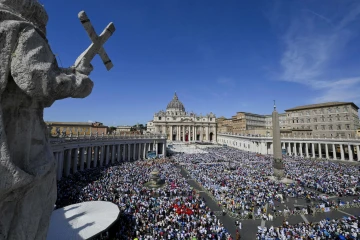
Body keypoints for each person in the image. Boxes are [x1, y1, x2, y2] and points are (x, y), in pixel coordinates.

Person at [0, 1, 93, 239]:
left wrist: (71, 70)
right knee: (30, 206)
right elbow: (41, 82)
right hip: (22, 139)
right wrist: (79, 81)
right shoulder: (22, 29)